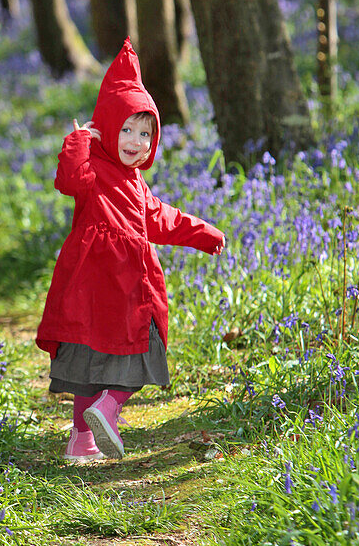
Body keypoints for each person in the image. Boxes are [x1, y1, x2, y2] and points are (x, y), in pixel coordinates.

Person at [36, 39, 225, 463]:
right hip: (108, 287)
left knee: (96, 356)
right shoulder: (92, 171)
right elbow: (69, 179)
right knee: (134, 351)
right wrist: (80, 140)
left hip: (105, 288)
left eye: (146, 133)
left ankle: (87, 432)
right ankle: (103, 414)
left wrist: (204, 233)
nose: (137, 141)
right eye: (126, 129)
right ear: (105, 126)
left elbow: (163, 219)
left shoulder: (137, 187)